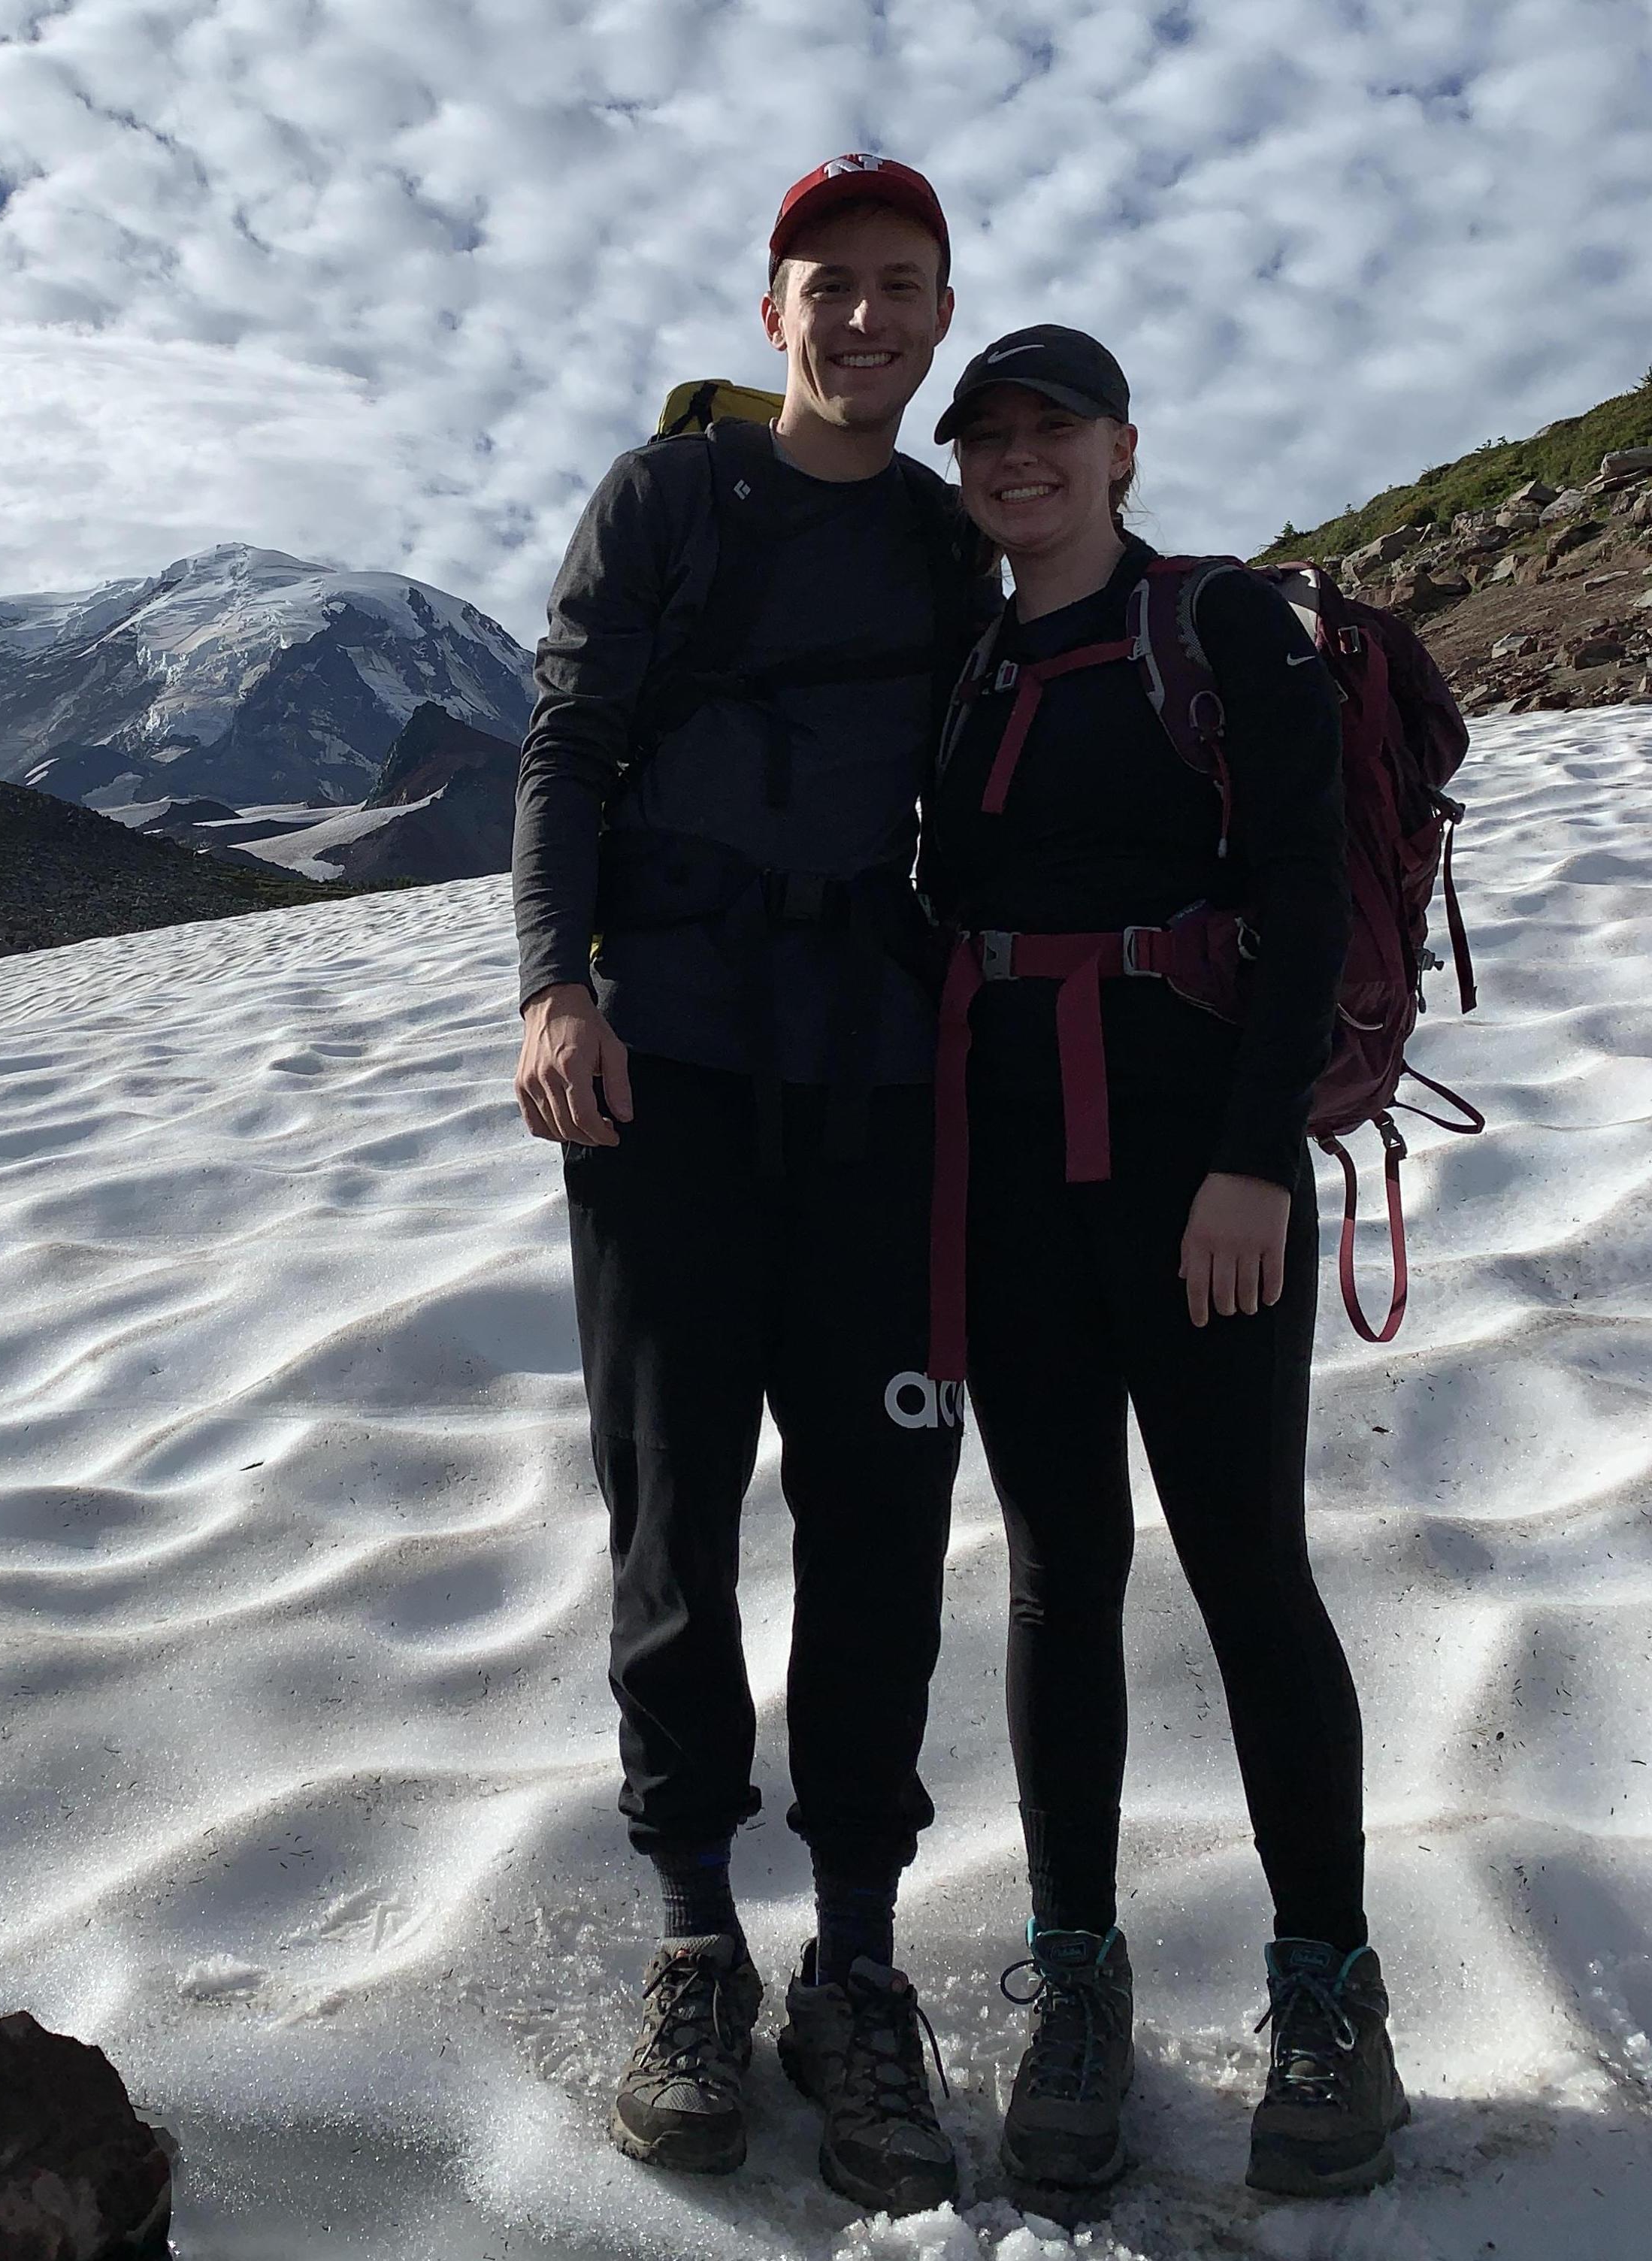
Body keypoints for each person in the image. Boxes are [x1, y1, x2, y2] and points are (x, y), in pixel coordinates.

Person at [510, 156, 995, 2215]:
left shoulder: (945, 540)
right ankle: (700, 1933)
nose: (869, 317)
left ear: (941, 311)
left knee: (881, 1515)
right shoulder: (670, 500)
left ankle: (859, 1960)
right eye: (837, 285)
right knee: (673, 1494)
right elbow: (568, 746)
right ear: (775, 301)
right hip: (670, 1067)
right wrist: (554, 986)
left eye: (906, 286)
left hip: (879, 1083)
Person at [924, 325, 1407, 2199]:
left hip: (1203, 1178)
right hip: (1019, 1176)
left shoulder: (1216, 631)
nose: (1017, 457)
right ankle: (1072, 1983)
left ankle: (1329, 1995)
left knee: (1243, 1565)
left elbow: (1294, 891)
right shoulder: (965, 668)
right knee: (1058, 1572)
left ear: (1124, 450)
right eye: (990, 434)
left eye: (1052, 430)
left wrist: (1249, 1159)